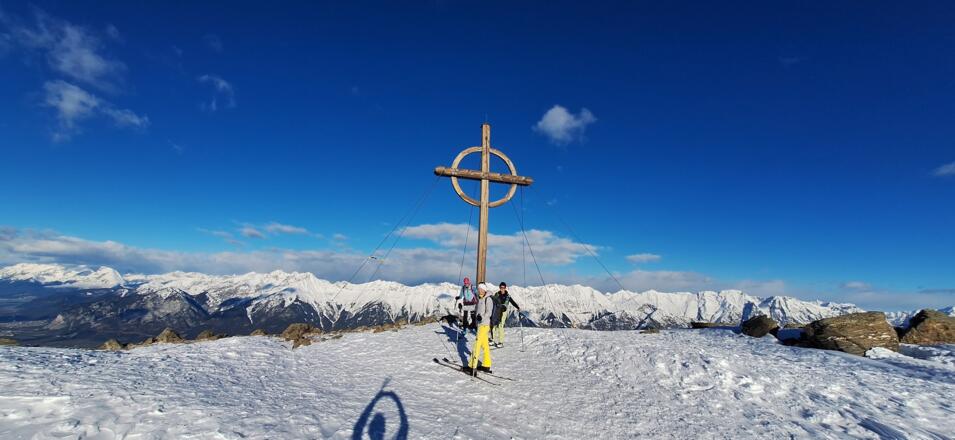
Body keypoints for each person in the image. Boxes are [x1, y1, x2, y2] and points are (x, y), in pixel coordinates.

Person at [466, 282, 494, 374]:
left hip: (484, 325)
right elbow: (475, 308)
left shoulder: (488, 299)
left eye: (481, 289)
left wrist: (481, 318)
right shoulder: (480, 298)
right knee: (485, 345)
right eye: (479, 289)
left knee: (476, 345)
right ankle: (486, 365)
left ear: (485, 289)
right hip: (480, 325)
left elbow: (489, 313)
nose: (479, 290)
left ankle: (472, 366)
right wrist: (464, 308)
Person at [491, 282, 520, 347]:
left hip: (504, 312)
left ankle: (500, 342)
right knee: (495, 325)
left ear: (505, 288)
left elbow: (512, 302)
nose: (502, 289)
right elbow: (493, 301)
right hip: (497, 311)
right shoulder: (497, 294)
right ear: (499, 287)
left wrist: (517, 307)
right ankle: (493, 340)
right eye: (501, 287)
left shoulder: (507, 296)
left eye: (503, 287)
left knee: (500, 325)